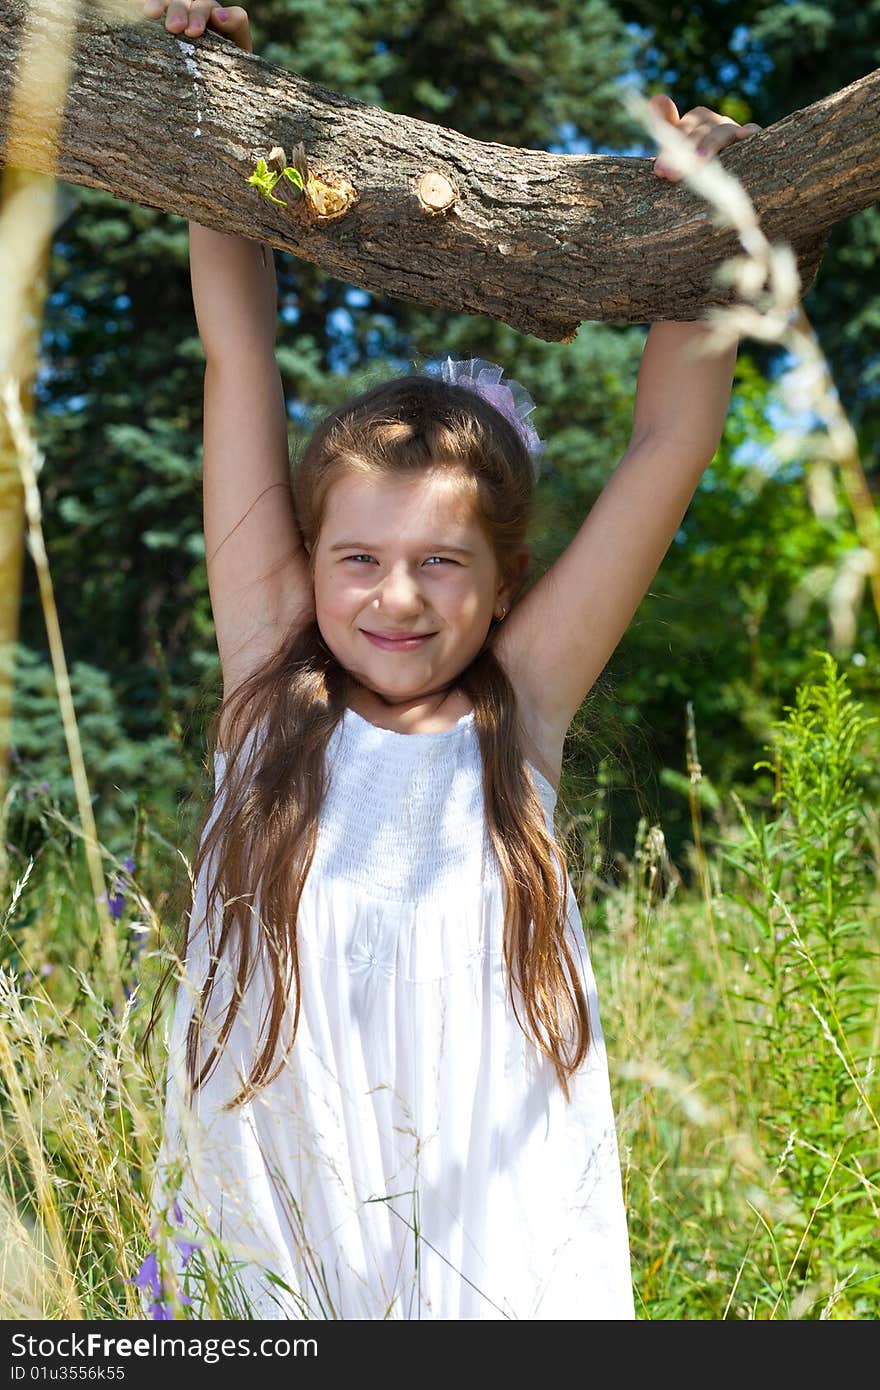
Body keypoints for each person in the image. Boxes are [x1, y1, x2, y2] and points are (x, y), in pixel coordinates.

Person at [135, 0, 759, 1320]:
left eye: (444, 565)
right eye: (358, 558)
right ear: (308, 565)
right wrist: (214, 95)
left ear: (504, 587)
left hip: (491, 1248)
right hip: (286, 1237)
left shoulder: (518, 704)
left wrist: (722, 208)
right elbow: (236, 349)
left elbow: (667, 450)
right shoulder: (269, 675)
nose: (398, 597)